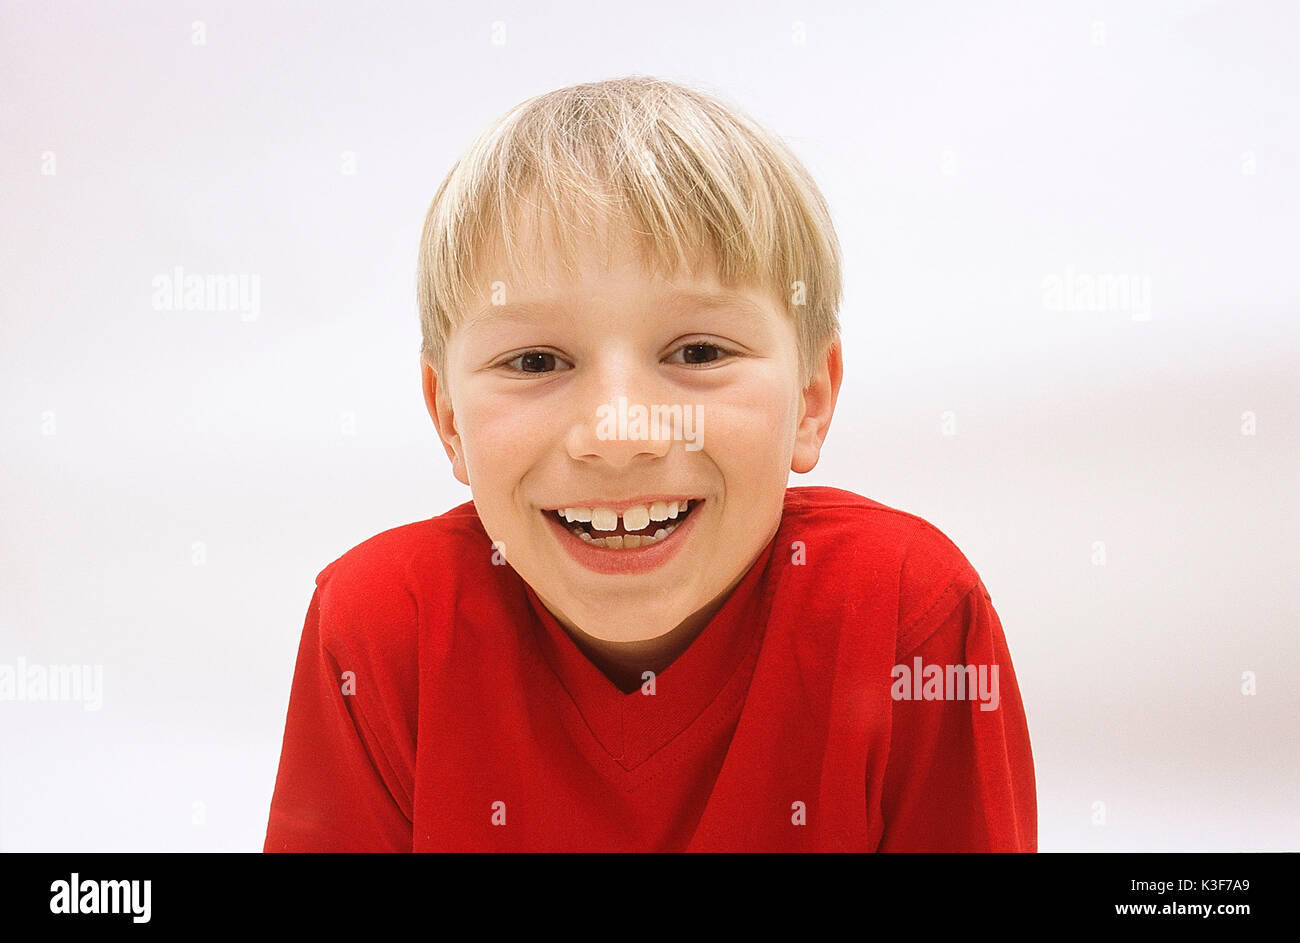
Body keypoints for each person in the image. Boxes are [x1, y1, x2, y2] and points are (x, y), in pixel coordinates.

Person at [263, 75, 1036, 852]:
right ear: (449, 420)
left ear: (809, 399)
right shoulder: (378, 631)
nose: (620, 431)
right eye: (535, 360)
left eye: (698, 351)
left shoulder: (909, 616)